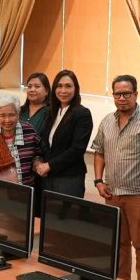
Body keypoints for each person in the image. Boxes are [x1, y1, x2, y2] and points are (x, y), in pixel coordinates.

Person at [92, 75, 140, 280]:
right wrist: (98, 181)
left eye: (126, 94)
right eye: (118, 94)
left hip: (139, 195)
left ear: (135, 94)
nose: (122, 98)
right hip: (113, 193)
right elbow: (98, 151)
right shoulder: (107, 121)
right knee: (120, 243)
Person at [35, 69, 92, 198]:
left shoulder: (82, 113)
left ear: (76, 89)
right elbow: (44, 141)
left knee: (66, 216)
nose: (63, 91)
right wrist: (39, 162)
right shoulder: (52, 111)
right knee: (48, 215)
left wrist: (50, 165)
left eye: (68, 86)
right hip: (47, 175)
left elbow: (77, 149)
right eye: (59, 86)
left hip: (69, 178)